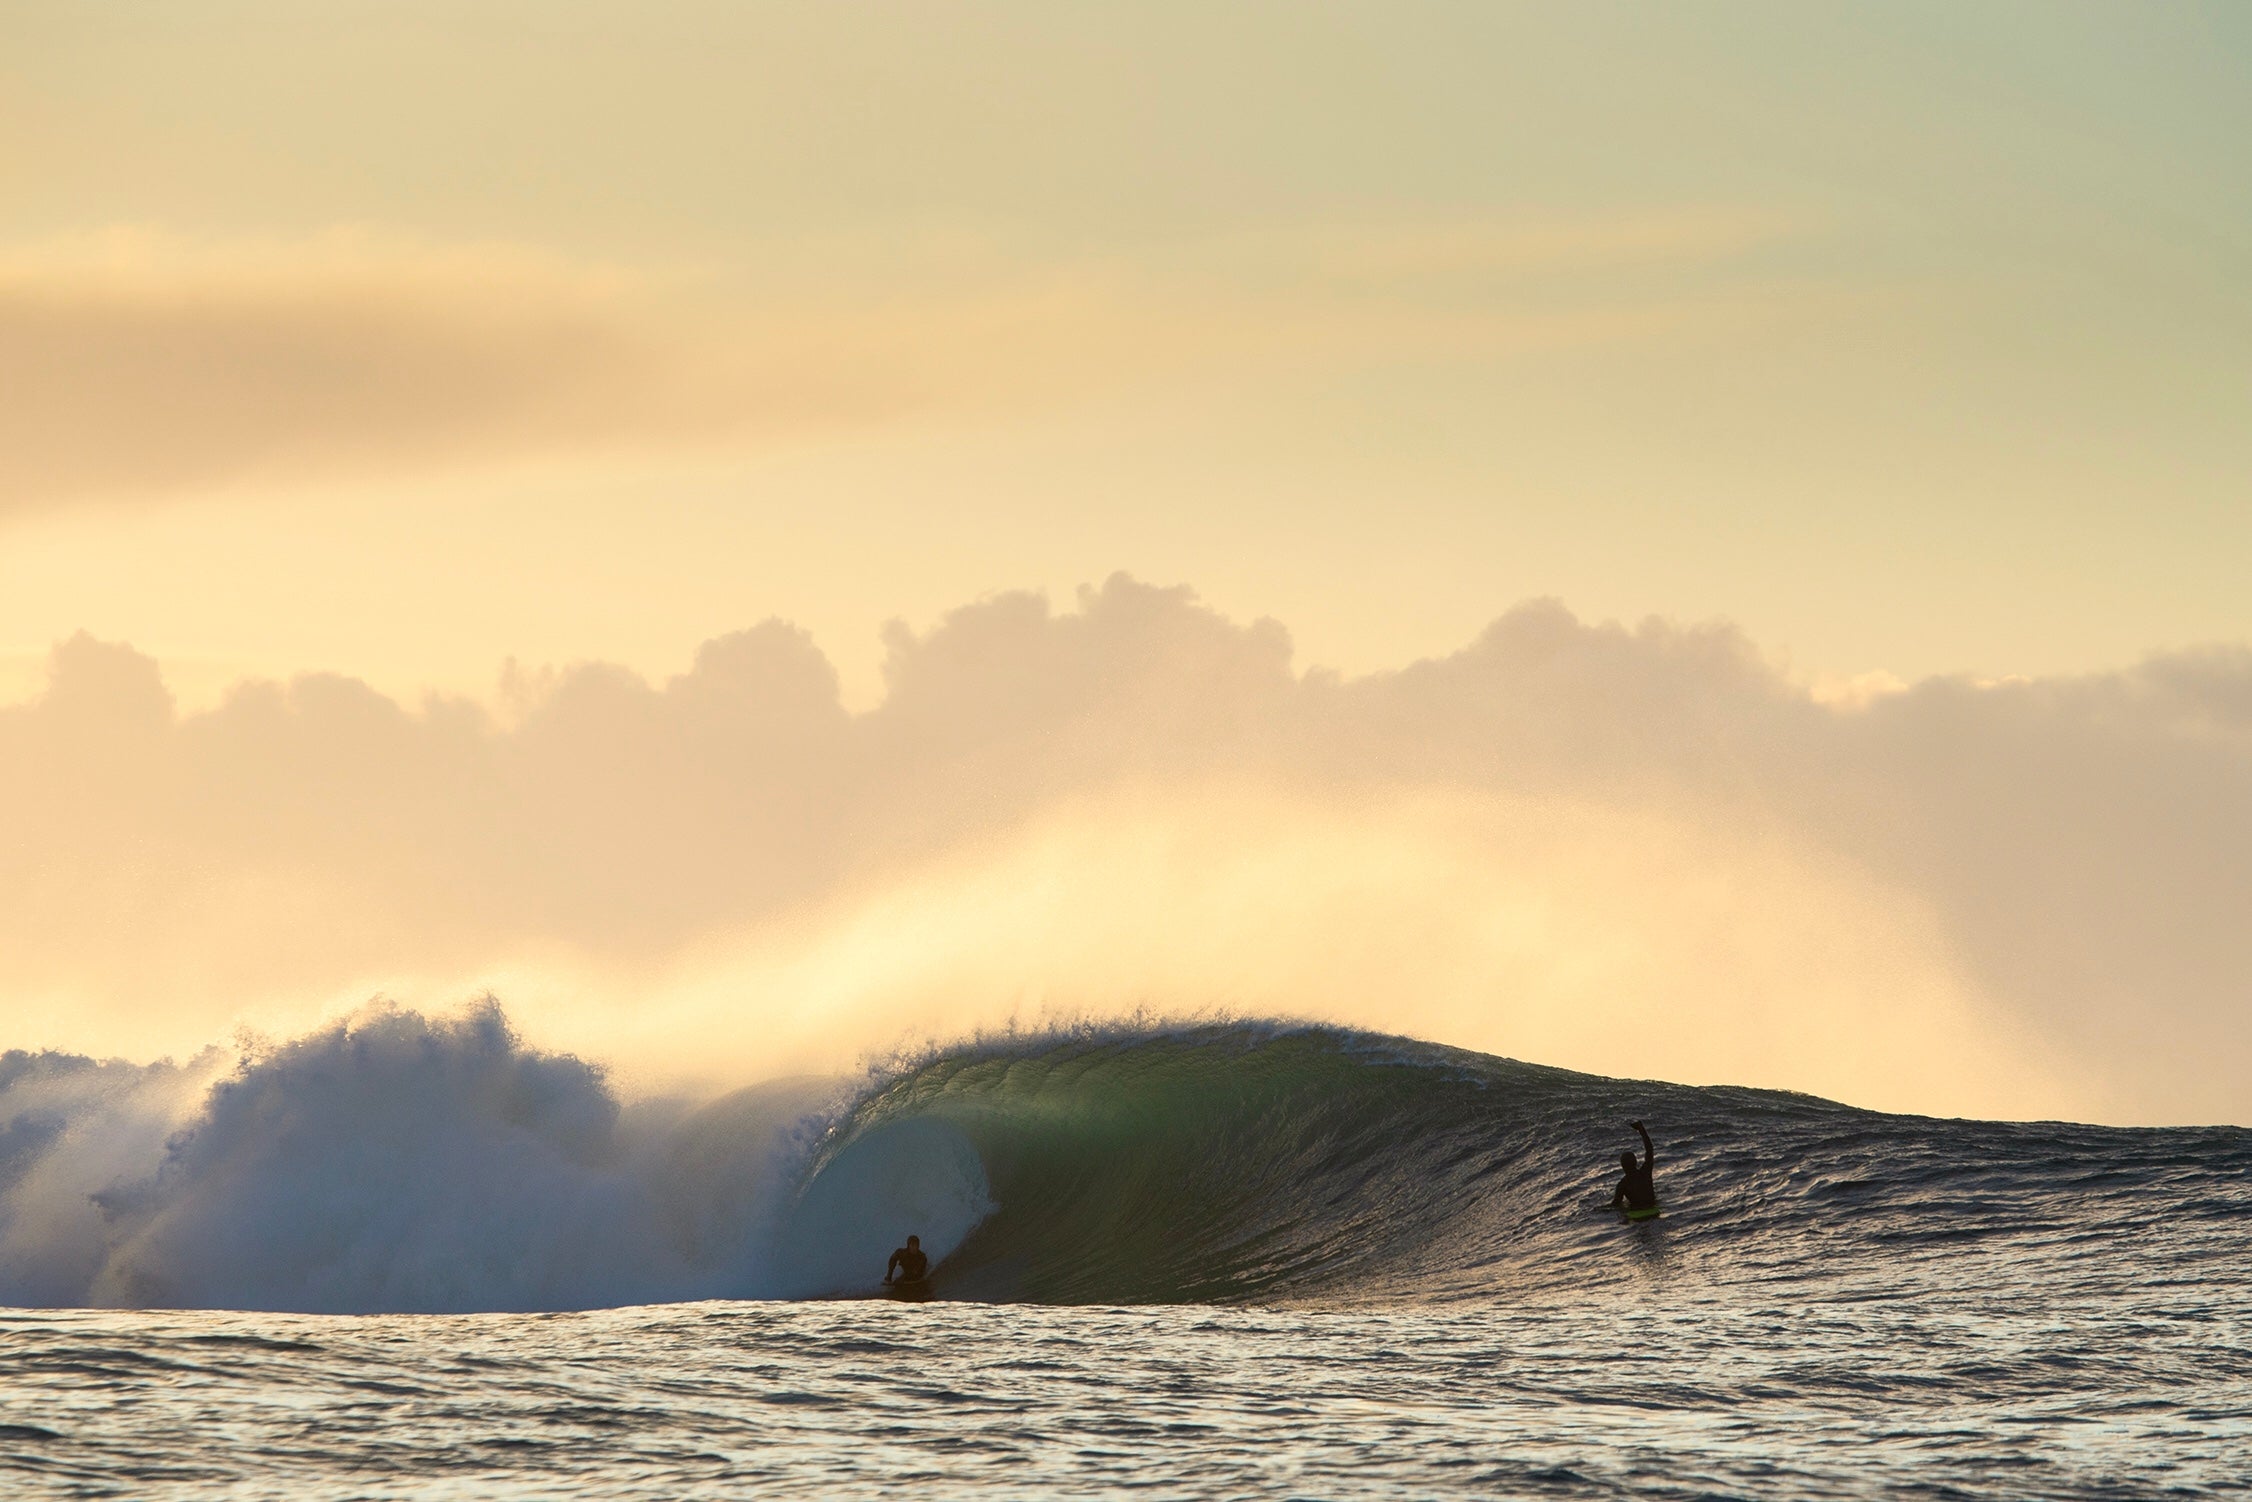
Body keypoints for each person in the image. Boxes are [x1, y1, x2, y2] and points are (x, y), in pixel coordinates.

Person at [1610, 1120, 1659, 1220]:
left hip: (1637, 1217)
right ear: (1636, 1162)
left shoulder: (1622, 1184)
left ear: (1622, 1166)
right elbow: (1649, 1150)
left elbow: (1616, 1204)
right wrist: (1641, 1130)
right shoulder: (1645, 1172)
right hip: (1653, 1211)